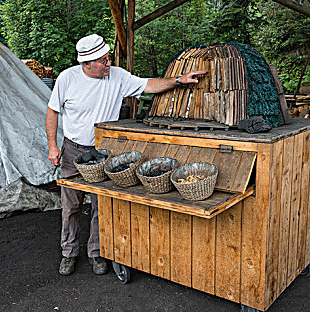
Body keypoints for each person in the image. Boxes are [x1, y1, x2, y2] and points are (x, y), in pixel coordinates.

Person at [46, 34, 205, 276]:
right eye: (102, 61)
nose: (108, 64)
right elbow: (52, 111)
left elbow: (148, 85)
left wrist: (178, 80)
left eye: (108, 58)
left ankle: (97, 252)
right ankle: (69, 253)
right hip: (73, 150)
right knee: (71, 205)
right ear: (86, 64)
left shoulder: (117, 75)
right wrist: (52, 146)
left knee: (103, 204)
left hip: (104, 150)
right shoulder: (67, 78)